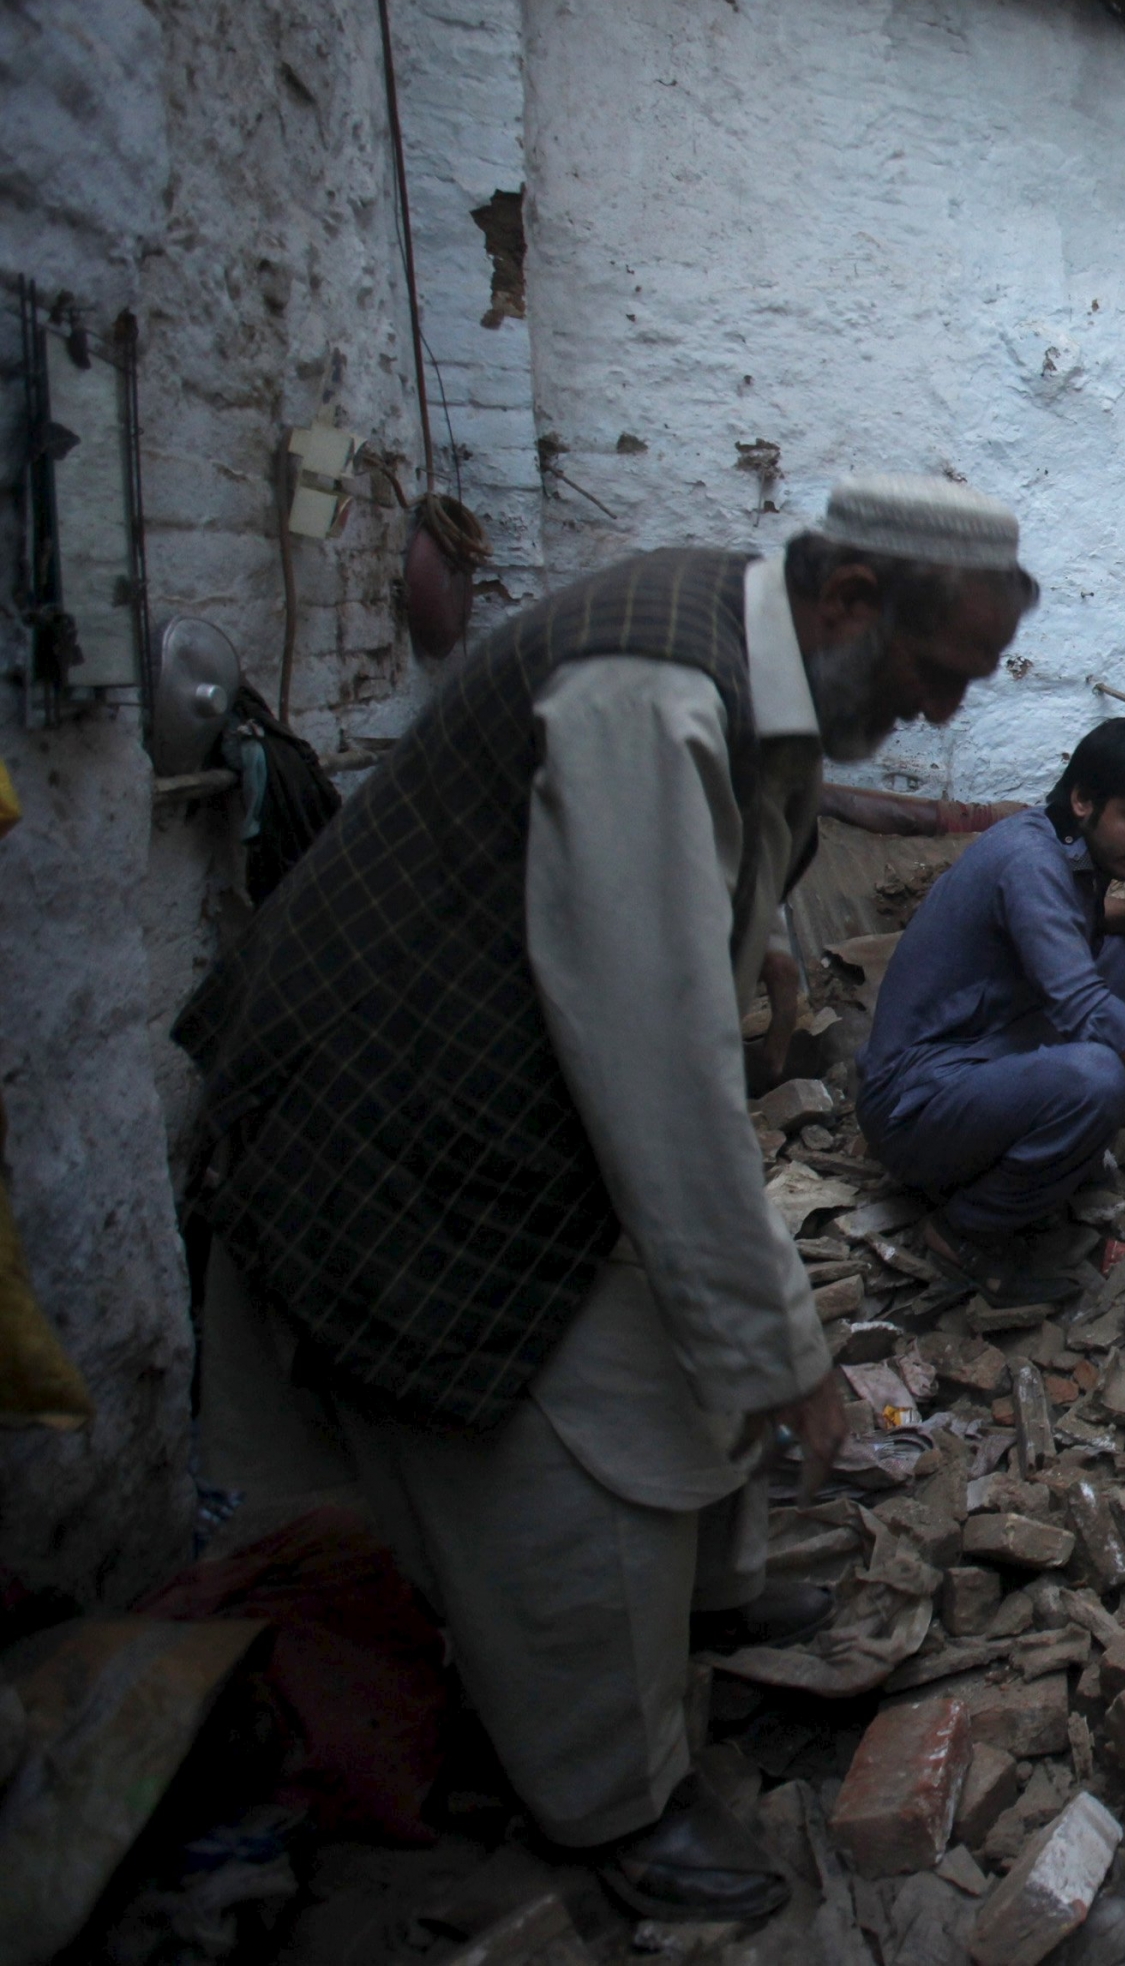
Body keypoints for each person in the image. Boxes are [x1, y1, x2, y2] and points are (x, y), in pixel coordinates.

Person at [177, 476, 1036, 1917]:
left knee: (693, 1349)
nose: (943, 711)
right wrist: (786, 1349)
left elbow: (717, 890)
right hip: (404, 1124)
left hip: (519, 1084)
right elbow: (654, 1056)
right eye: (938, 672)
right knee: (573, 1467)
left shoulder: (755, 645)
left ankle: (713, 1602)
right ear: (848, 603)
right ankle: (617, 1804)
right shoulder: (652, 687)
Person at [855, 718, 1125, 1276]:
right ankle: (964, 1227)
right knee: (1095, 1076)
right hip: (911, 1108)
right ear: (1084, 799)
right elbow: (1087, 1010)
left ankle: (1048, 1138)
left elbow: (1074, 918)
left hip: (978, 1053)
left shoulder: (1060, 842)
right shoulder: (1028, 860)